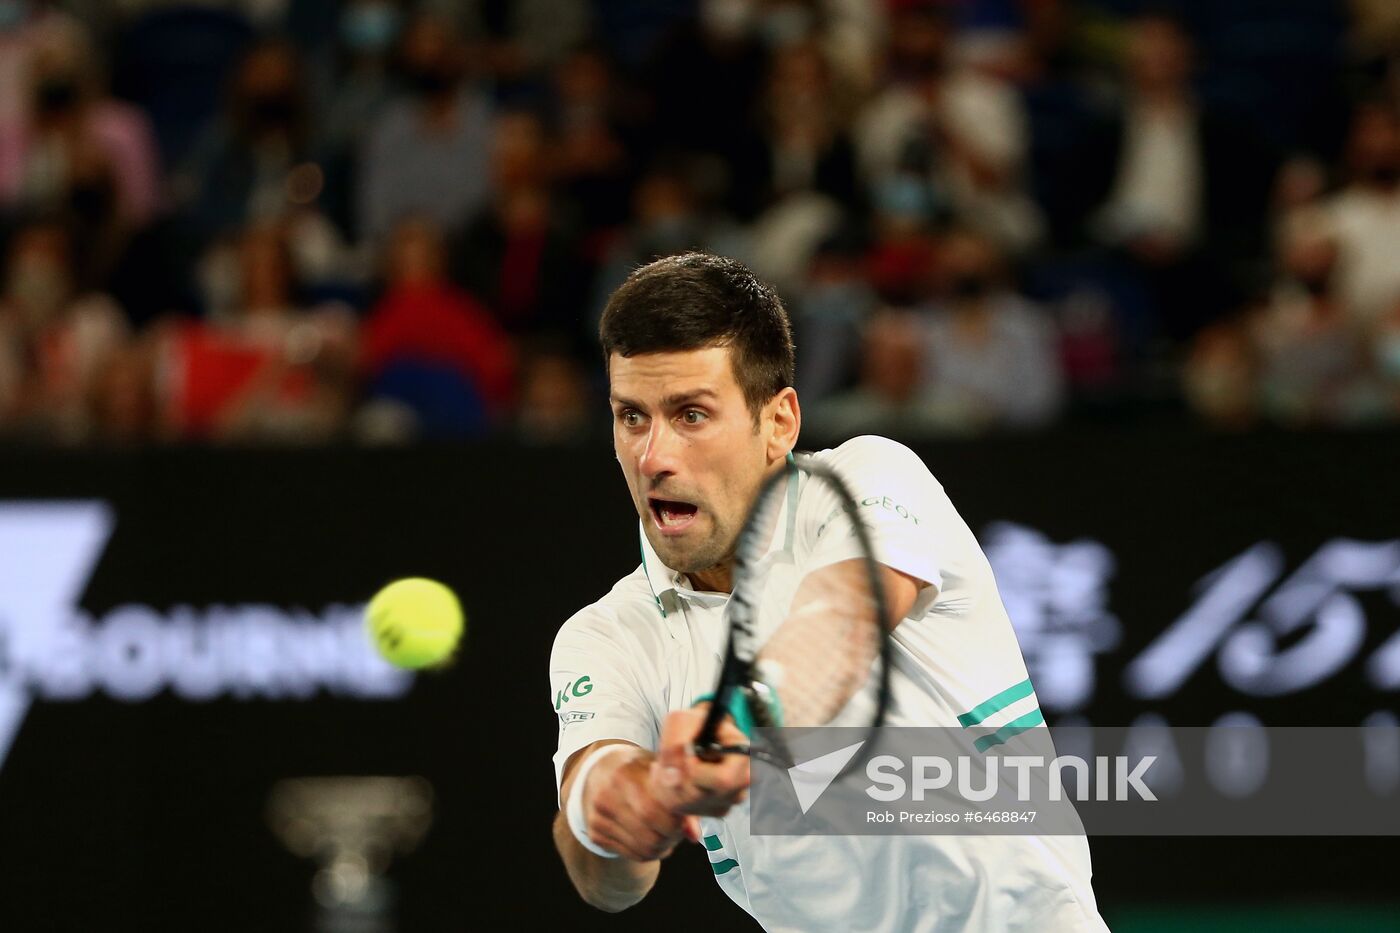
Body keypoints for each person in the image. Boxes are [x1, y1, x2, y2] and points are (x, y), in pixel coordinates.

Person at [549, 252, 1108, 930]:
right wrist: (610, 815)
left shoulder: (872, 477)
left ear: (778, 422)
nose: (653, 456)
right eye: (631, 416)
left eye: (691, 414)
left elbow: (840, 625)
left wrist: (735, 729)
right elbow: (604, 874)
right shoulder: (604, 636)